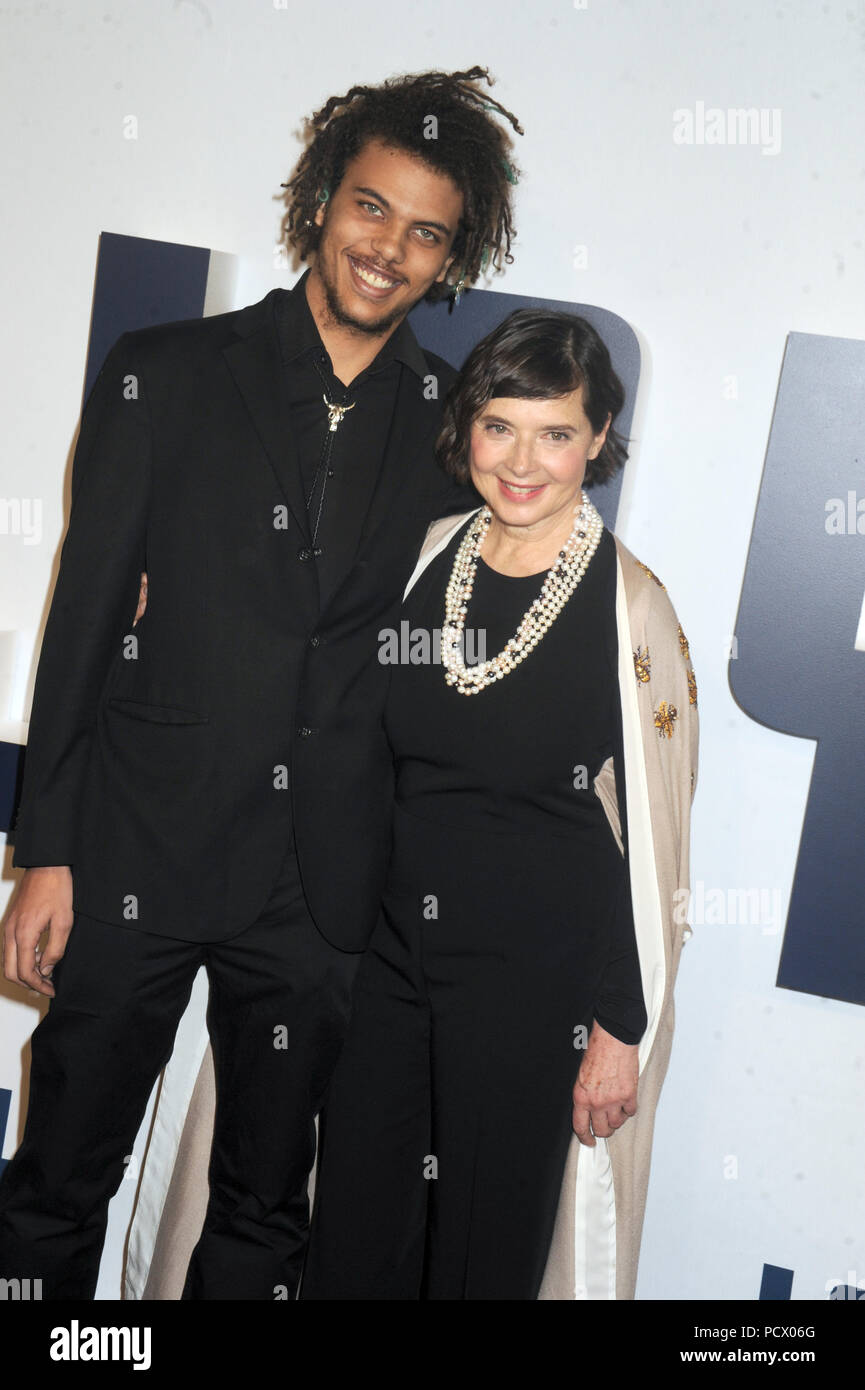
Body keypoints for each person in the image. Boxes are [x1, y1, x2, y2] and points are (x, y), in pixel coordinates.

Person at [0, 66, 523, 1300]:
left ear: (452, 258)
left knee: (263, 1212)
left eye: (425, 231)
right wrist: (48, 851)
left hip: (322, 890)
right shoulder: (164, 372)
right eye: (369, 207)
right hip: (134, 849)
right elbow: (82, 623)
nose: (388, 247)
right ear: (320, 202)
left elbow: (443, 664)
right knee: (58, 1181)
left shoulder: (458, 433)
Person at [299, 308, 699, 1300]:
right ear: (467, 424)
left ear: (597, 438)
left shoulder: (631, 608)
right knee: (351, 1235)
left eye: (555, 432)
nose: (522, 461)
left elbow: (654, 846)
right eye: (499, 426)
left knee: (481, 1260)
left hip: (534, 987)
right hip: (390, 963)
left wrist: (618, 1027)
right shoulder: (428, 556)